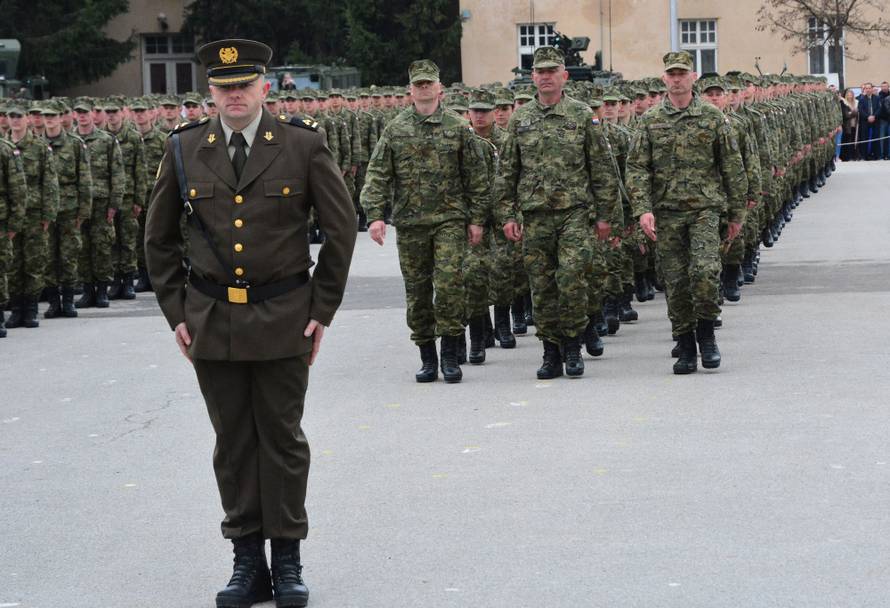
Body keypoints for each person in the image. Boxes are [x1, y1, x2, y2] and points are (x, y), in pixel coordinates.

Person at [145, 38, 356, 608]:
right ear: (210, 93)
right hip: (212, 319)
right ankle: (246, 562)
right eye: (224, 88)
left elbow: (341, 229)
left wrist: (321, 310)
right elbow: (158, 239)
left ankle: (286, 559)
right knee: (234, 443)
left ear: (265, 86)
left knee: (282, 440)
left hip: (285, 316)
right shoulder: (185, 148)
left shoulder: (302, 144)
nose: (234, 96)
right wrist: (177, 312)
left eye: (244, 86)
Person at [360, 59, 489, 384]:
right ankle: (427, 357)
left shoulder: (458, 127)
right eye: (418, 84)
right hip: (411, 223)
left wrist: (477, 219)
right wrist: (375, 216)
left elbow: (476, 177)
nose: (424, 89)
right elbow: (377, 174)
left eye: (428, 83)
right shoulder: (396, 129)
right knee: (417, 293)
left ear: (439, 88)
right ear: (411, 90)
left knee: (448, 286)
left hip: (450, 220)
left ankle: (450, 355)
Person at [496, 46, 621, 379]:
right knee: (541, 286)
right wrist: (507, 214)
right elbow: (507, 171)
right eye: (541, 71)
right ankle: (550, 351)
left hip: (574, 214)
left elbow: (601, 168)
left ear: (564, 76)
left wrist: (605, 216)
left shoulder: (582, 115)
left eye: (552, 71)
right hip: (535, 216)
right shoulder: (521, 118)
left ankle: (572, 346)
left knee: (572, 279)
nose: (546, 77)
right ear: (533, 77)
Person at [625, 51, 747, 374]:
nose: (677, 79)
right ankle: (686, 344)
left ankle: (706, 335)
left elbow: (732, 166)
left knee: (705, 273)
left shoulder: (712, 117)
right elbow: (637, 168)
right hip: (666, 214)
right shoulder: (650, 121)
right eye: (672, 74)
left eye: (682, 74)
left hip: (704, 211)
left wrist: (736, 215)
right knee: (675, 282)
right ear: (664, 79)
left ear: (693, 78)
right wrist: (642, 209)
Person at [857, 83, 881, 160]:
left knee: (876, 137)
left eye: (869, 88)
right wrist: (868, 117)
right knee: (865, 138)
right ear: (865, 89)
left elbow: (879, 108)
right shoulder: (861, 99)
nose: (868, 90)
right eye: (866, 88)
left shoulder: (877, 98)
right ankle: (865, 156)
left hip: (875, 120)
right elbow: (860, 110)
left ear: (872, 89)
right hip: (865, 121)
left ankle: (876, 155)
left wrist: (874, 116)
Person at [840, 88, 859, 161]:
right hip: (847, 125)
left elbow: (857, 112)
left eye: (851, 94)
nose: (849, 96)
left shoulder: (856, 102)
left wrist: (852, 113)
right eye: (848, 95)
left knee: (854, 140)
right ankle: (846, 156)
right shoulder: (844, 103)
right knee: (847, 141)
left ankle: (854, 155)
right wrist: (853, 113)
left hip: (855, 124)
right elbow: (846, 115)